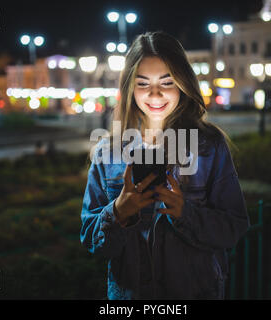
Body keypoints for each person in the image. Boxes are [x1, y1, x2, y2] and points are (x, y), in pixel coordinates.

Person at [80, 31, 250, 300]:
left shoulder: (208, 146)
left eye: (167, 82)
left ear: (182, 83)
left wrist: (185, 213)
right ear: (129, 88)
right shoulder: (107, 152)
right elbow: (91, 242)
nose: (155, 93)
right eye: (143, 83)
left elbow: (234, 228)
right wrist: (118, 213)